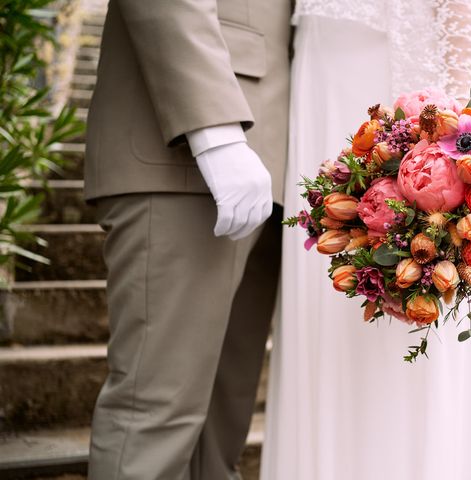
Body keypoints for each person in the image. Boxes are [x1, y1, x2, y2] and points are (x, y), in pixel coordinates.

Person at [261, 2, 471, 479]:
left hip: (409, 127)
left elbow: (462, 23)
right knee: (330, 327)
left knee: (414, 343)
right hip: (321, 111)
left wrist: (452, 165)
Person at [83, 1, 290, 478]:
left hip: (277, 161)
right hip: (186, 147)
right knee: (154, 421)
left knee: (218, 439)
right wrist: (215, 133)